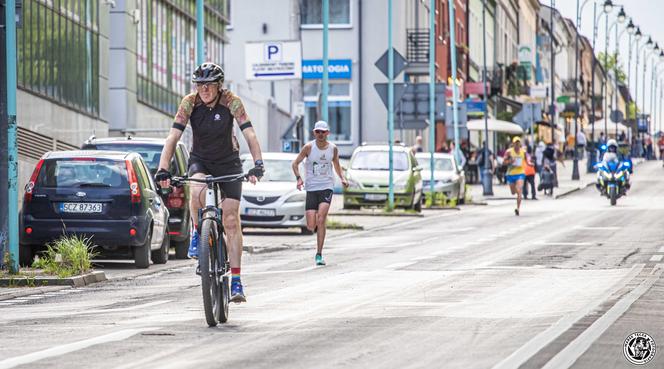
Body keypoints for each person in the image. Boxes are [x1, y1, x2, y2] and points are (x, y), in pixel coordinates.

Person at [156, 62, 264, 303]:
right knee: (196, 191)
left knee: (230, 220)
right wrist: (163, 168)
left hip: (229, 162)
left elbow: (249, 132)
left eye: (209, 85)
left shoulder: (231, 101)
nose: (204, 89)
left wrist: (258, 163)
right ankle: (198, 233)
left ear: (219, 86)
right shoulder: (189, 102)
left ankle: (236, 279)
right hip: (201, 160)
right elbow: (173, 136)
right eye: (200, 85)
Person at [292, 121, 348, 266]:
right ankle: (317, 226)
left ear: (328, 133)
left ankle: (319, 254)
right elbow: (295, 163)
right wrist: (299, 178)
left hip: (326, 186)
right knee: (311, 225)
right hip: (311, 188)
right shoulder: (309, 148)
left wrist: (342, 178)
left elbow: (336, 165)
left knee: (321, 218)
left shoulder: (333, 149)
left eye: (323, 132)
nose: (321, 134)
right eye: (318, 132)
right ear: (314, 133)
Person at [503, 136, 530, 216]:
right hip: (511, 173)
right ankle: (517, 192)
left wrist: (530, 163)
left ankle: (518, 208)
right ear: (513, 144)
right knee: (513, 192)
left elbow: (527, 159)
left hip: (520, 173)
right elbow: (504, 162)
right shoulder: (509, 152)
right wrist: (510, 161)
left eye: (518, 143)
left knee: (519, 190)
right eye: (515, 143)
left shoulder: (523, 152)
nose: (517, 145)